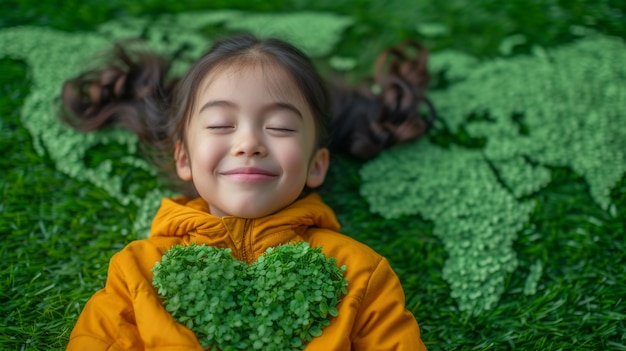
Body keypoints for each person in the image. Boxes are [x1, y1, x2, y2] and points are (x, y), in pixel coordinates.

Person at [62, 33, 434, 351]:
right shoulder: (137, 270)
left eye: (281, 127)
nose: (249, 142)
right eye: (221, 124)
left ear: (316, 164)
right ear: (184, 157)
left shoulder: (360, 272)